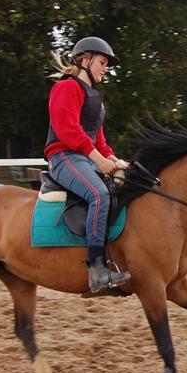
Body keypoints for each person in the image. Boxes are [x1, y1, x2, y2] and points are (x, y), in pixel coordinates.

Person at [44, 36, 132, 293]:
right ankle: (96, 271)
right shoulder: (67, 88)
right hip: (64, 158)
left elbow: (99, 139)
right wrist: (99, 160)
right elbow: (68, 130)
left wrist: (114, 160)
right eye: (102, 62)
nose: (105, 68)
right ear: (86, 60)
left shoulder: (94, 98)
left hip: (85, 158)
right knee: (99, 194)